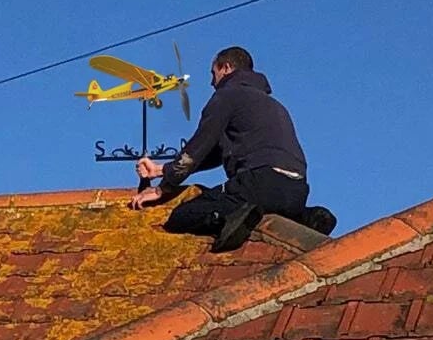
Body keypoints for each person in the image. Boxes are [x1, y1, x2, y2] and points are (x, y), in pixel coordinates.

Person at [130, 46, 336, 252]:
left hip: (259, 182)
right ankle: (305, 217)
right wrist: (161, 170)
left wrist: (161, 188)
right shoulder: (273, 105)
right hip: (296, 190)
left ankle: (232, 219)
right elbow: (216, 153)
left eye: (214, 73)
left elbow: (198, 148)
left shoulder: (227, 95)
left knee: (182, 216)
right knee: (266, 206)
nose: (212, 82)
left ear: (226, 68)